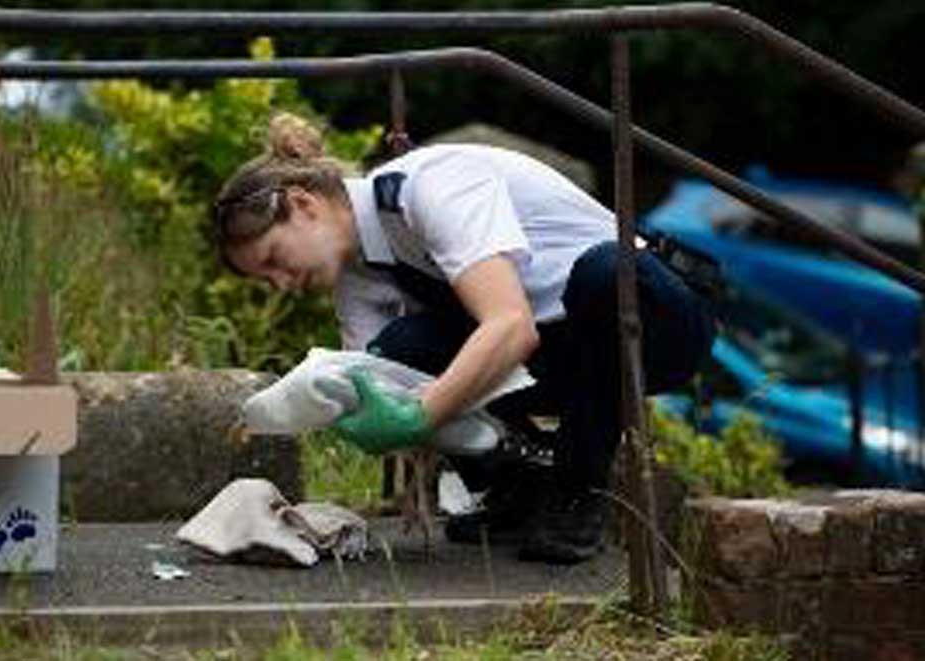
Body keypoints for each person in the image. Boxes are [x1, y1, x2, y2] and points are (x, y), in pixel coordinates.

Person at [212, 113, 717, 564]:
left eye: (274, 259)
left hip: (650, 321)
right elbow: (385, 385)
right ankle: (518, 487)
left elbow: (509, 326)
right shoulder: (355, 275)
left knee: (602, 274)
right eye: (265, 280)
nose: (280, 284)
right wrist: (408, 447)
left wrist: (420, 417)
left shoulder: (429, 187)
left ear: (304, 205)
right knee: (399, 350)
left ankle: (578, 490)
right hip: (560, 346)